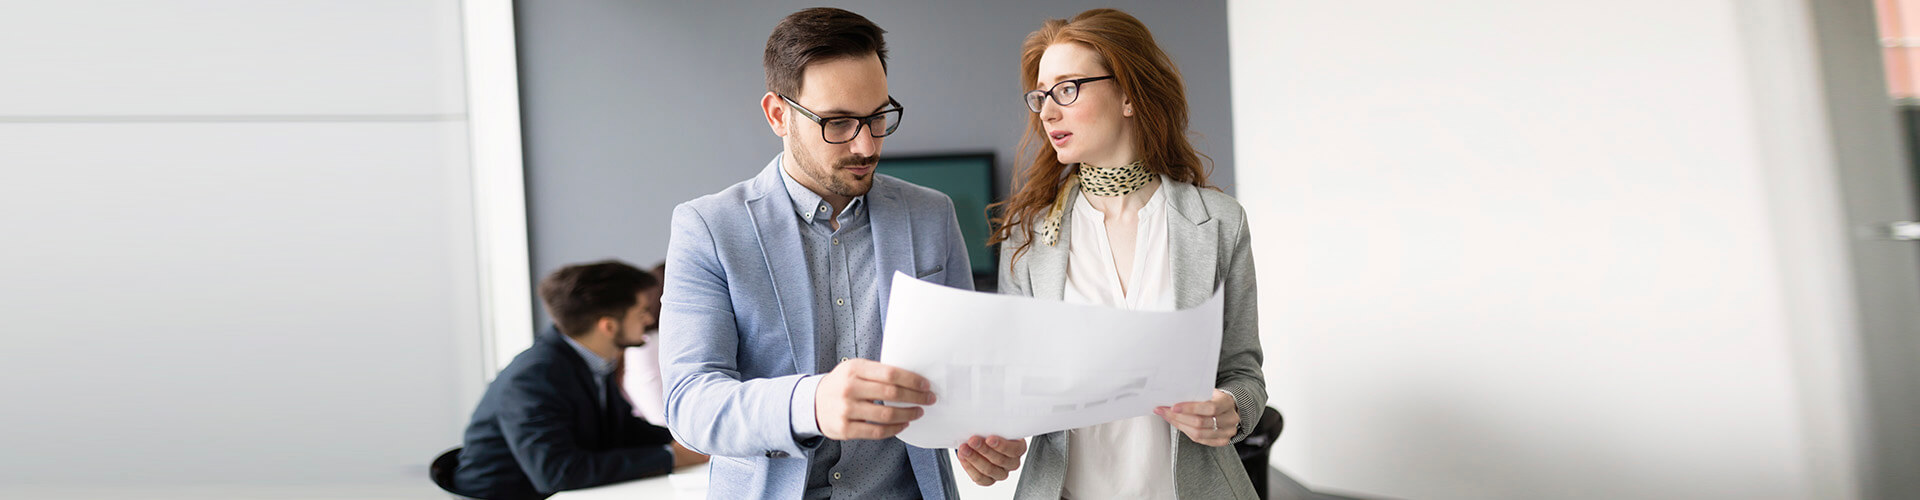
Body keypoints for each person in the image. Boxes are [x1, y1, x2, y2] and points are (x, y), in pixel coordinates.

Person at [658, 7, 1022, 499]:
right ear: (778, 115)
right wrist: (810, 403)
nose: (866, 145)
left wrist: (981, 438)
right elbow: (689, 404)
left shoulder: (932, 214)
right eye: (838, 122)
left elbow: (966, 374)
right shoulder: (708, 227)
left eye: (877, 117)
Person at [984, 8, 1267, 499]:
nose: (1047, 112)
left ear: (1129, 95)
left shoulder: (1220, 223)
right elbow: (1012, 389)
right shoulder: (1028, 236)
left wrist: (1231, 408)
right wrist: (994, 435)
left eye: (1067, 89)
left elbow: (1244, 373)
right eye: (1041, 96)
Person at [445, 260, 701, 500]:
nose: (649, 319)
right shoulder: (533, 378)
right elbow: (557, 473)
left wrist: (692, 441)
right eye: (642, 311)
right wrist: (671, 457)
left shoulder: (589, 361)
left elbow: (623, 428)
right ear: (608, 326)